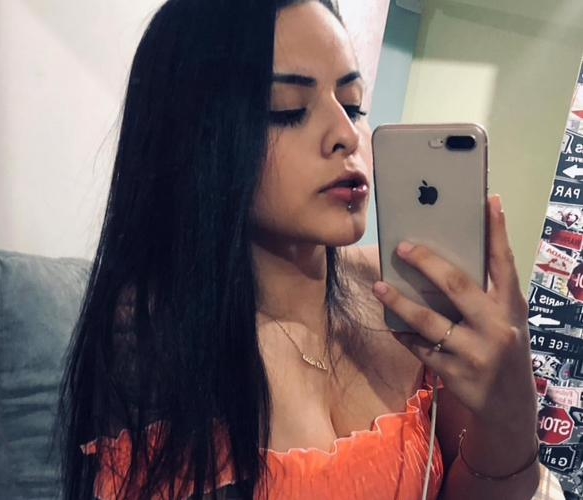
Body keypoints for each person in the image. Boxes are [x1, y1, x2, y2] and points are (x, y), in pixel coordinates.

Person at [58, 0, 541, 498]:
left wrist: (508, 416)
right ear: (196, 137)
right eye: (288, 111)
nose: (346, 135)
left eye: (353, 106)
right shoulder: (154, 336)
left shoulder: (401, 293)